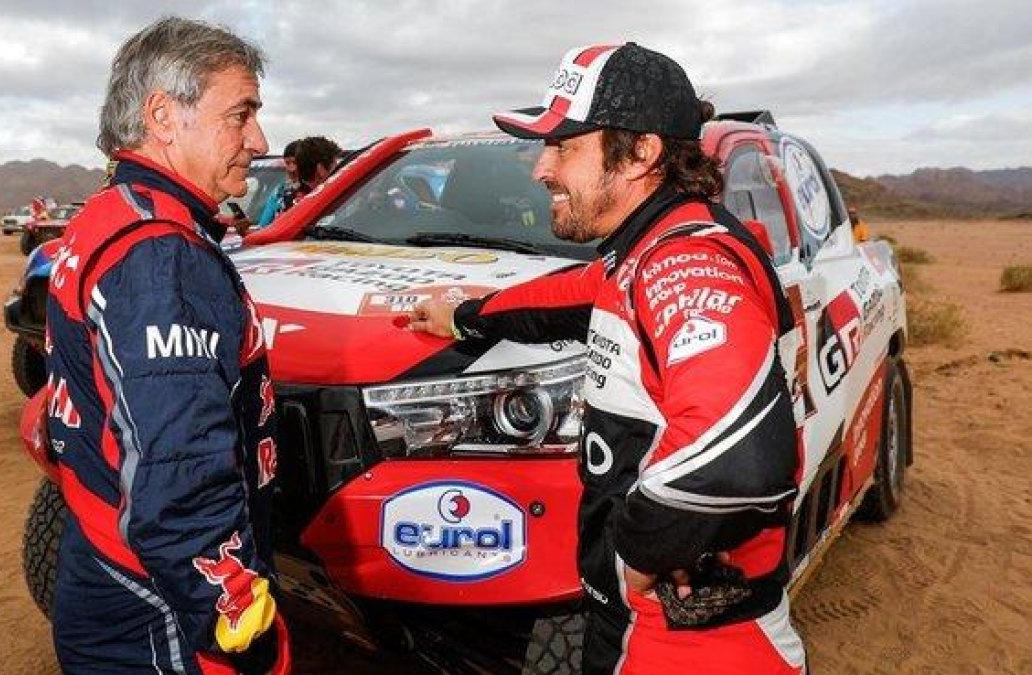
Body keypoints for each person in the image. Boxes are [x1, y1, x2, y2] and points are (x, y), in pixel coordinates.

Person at [409, 43, 806, 674]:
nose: (541, 168)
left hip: (685, 644)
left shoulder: (685, 260)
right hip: (645, 627)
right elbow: (563, 295)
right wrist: (461, 316)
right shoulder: (645, 250)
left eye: (565, 146)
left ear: (641, 153)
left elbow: (739, 461)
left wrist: (637, 553)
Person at [44, 17, 288, 674]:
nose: (260, 140)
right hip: (160, 614)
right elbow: (178, 476)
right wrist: (240, 617)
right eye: (242, 115)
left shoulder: (112, 211)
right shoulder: (162, 258)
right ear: (163, 115)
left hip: (110, 574)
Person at [278, 135, 341, 212]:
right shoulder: (330, 200)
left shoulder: (290, 199)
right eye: (335, 166)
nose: (339, 171)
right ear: (320, 169)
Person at [255, 139, 300, 226]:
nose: (291, 169)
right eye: (287, 163)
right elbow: (263, 224)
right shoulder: (280, 191)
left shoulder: (317, 190)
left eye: (295, 163)